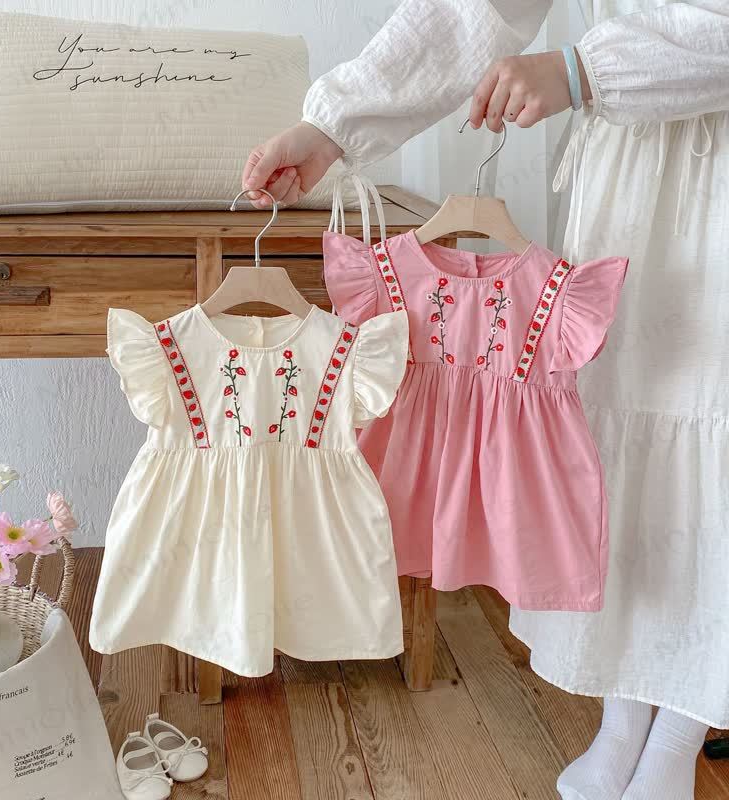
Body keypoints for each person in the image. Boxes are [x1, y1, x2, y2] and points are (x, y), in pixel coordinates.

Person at [242, 2, 729, 799]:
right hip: (629, 163)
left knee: (710, 427)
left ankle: (678, 737)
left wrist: (582, 71)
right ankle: (625, 721)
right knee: (614, 438)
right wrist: (332, 125)